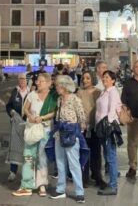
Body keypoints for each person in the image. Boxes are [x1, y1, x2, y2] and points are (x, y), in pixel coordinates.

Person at [12, 73, 57, 197]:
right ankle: (26, 185)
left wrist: (42, 118)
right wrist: (30, 116)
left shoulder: (53, 96)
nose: (38, 83)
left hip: (45, 130)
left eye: (41, 81)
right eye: (37, 81)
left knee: (42, 157)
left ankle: (42, 184)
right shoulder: (32, 94)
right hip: (32, 129)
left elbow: (54, 112)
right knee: (28, 156)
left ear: (49, 83)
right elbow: (25, 109)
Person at [47, 75, 87, 203]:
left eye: (58, 85)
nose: (56, 87)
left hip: (71, 133)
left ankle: (79, 192)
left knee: (74, 163)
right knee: (60, 162)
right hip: (59, 133)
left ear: (64, 87)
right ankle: (60, 189)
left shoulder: (75, 99)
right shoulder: (59, 99)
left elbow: (82, 117)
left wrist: (79, 131)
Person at [95, 70, 121, 196]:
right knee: (107, 155)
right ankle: (112, 182)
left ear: (113, 80)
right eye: (103, 77)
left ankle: (113, 185)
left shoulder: (113, 92)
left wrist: (108, 125)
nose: (104, 79)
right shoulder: (104, 92)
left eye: (107, 77)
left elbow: (112, 110)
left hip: (107, 128)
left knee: (110, 156)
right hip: (102, 127)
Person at [76, 70, 104, 189]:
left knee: (96, 153)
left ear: (93, 79)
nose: (85, 80)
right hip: (83, 127)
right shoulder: (79, 93)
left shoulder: (99, 92)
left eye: (87, 78)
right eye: (83, 78)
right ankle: (84, 178)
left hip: (96, 126)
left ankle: (97, 176)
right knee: (84, 152)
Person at [4, 73, 31, 181]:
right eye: (20, 79)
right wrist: (11, 112)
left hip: (28, 124)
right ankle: (13, 171)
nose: (22, 81)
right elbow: (9, 105)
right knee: (15, 146)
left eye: (24, 79)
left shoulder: (31, 92)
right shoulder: (15, 92)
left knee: (28, 148)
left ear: (27, 81)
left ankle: (28, 172)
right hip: (16, 123)